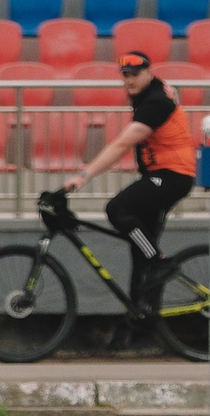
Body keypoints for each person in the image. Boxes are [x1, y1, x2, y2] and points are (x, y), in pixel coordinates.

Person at [60, 49, 198, 312]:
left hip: (172, 176)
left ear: (149, 73)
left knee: (117, 209)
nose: (130, 80)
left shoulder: (156, 102)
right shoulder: (149, 92)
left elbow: (122, 144)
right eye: (125, 75)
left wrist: (83, 176)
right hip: (161, 174)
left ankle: (160, 261)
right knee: (139, 251)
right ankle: (138, 317)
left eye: (135, 74)